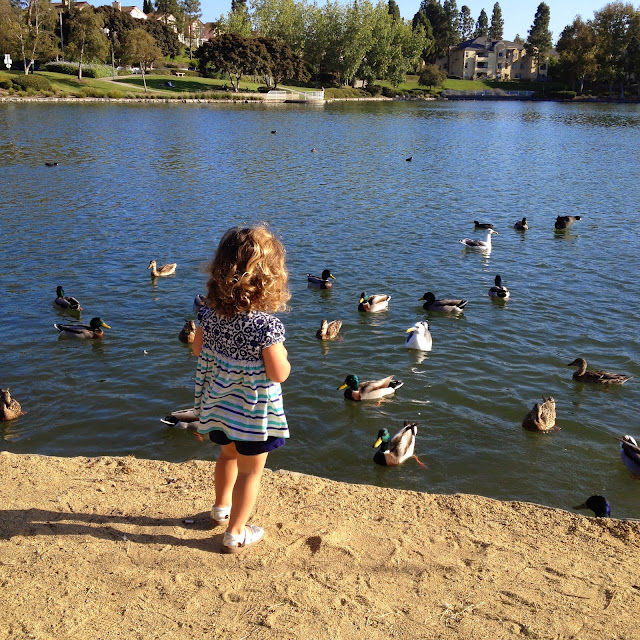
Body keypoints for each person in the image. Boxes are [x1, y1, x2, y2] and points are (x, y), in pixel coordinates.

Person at [193, 226, 291, 553]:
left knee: (226, 455)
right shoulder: (266, 327)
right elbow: (278, 373)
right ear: (269, 280)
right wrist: (284, 357)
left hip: (220, 407)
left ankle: (220, 508)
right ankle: (236, 533)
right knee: (251, 472)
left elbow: (198, 350)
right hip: (251, 416)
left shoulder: (208, 313)